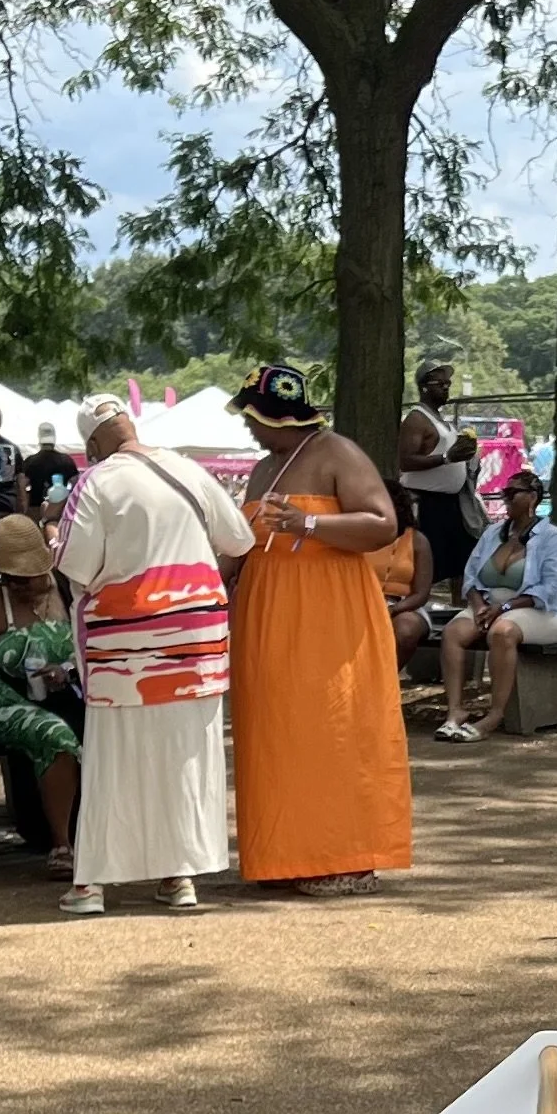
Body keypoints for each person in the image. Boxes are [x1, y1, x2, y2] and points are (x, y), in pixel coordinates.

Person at [50, 390, 256, 917]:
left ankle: (92, 886)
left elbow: (75, 565)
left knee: (112, 762)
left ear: (93, 443)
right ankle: (179, 877)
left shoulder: (95, 482)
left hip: (126, 645)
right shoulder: (188, 470)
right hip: (197, 639)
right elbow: (238, 540)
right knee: (184, 758)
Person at [228, 363, 411, 896]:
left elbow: (383, 524)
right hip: (266, 611)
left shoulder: (338, 453)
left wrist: (309, 523)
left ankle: (345, 855)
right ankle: (285, 854)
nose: (247, 426)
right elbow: (240, 545)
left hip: (327, 610)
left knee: (330, 728)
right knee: (277, 730)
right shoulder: (265, 469)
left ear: (273, 414)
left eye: (250, 416)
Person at [0, 514, 81, 874]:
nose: (15, 585)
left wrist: (67, 670)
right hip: (10, 700)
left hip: (73, 695)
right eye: (7, 576)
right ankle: (62, 844)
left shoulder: (70, 590)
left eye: (23, 577)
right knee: (55, 735)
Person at [437, 470, 557, 743]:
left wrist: (505, 607)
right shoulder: (492, 534)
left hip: (540, 611)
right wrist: (477, 605)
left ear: (532, 497)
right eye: (504, 493)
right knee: (453, 633)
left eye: (512, 493)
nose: (504, 498)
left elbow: (549, 589)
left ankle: (494, 715)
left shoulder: (552, 539)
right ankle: (455, 712)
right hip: (488, 605)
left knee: (502, 632)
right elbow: (471, 575)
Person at [397, 358, 479, 594]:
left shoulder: (441, 420)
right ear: (424, 387)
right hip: (426, 503)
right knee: (428, 564)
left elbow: (453, 455)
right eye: (439, 383)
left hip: (451, 503)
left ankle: (460, 613)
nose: (446, 387)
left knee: (461, 564)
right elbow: (406, 461)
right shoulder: (416, 419)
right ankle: (418, 615)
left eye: (448, 383)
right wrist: (446, 458)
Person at [370, 479, 435, 668]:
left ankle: (386, 683)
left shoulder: (417, 540)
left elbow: (421, 594)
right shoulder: (359, 537)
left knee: (406, 631)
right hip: (364, 602)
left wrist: (392, 609)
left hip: (404, 605)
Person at [22, 422, 79, 527]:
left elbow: (23, 485)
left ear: (39, 438)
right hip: (60, 510)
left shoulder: (30, 462)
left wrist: (24, 508)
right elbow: (76, 484)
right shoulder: (66, 460)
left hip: (35, 510)